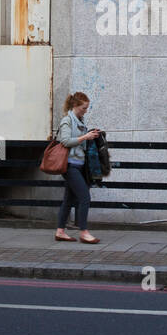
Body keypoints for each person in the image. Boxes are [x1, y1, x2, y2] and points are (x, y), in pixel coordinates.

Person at [55, 92, 102, 243]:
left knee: (69, 199)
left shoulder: (79, 121)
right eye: (83, 108)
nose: (85, 111)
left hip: (78, 165)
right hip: (69, 165)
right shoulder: (67, 121)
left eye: (87, 108)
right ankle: (84, 232)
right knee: (84, 197)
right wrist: (85, 137)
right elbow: (65, 141)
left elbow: (79, 142)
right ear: (75, 106)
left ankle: (60, 231)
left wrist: (90, 134)